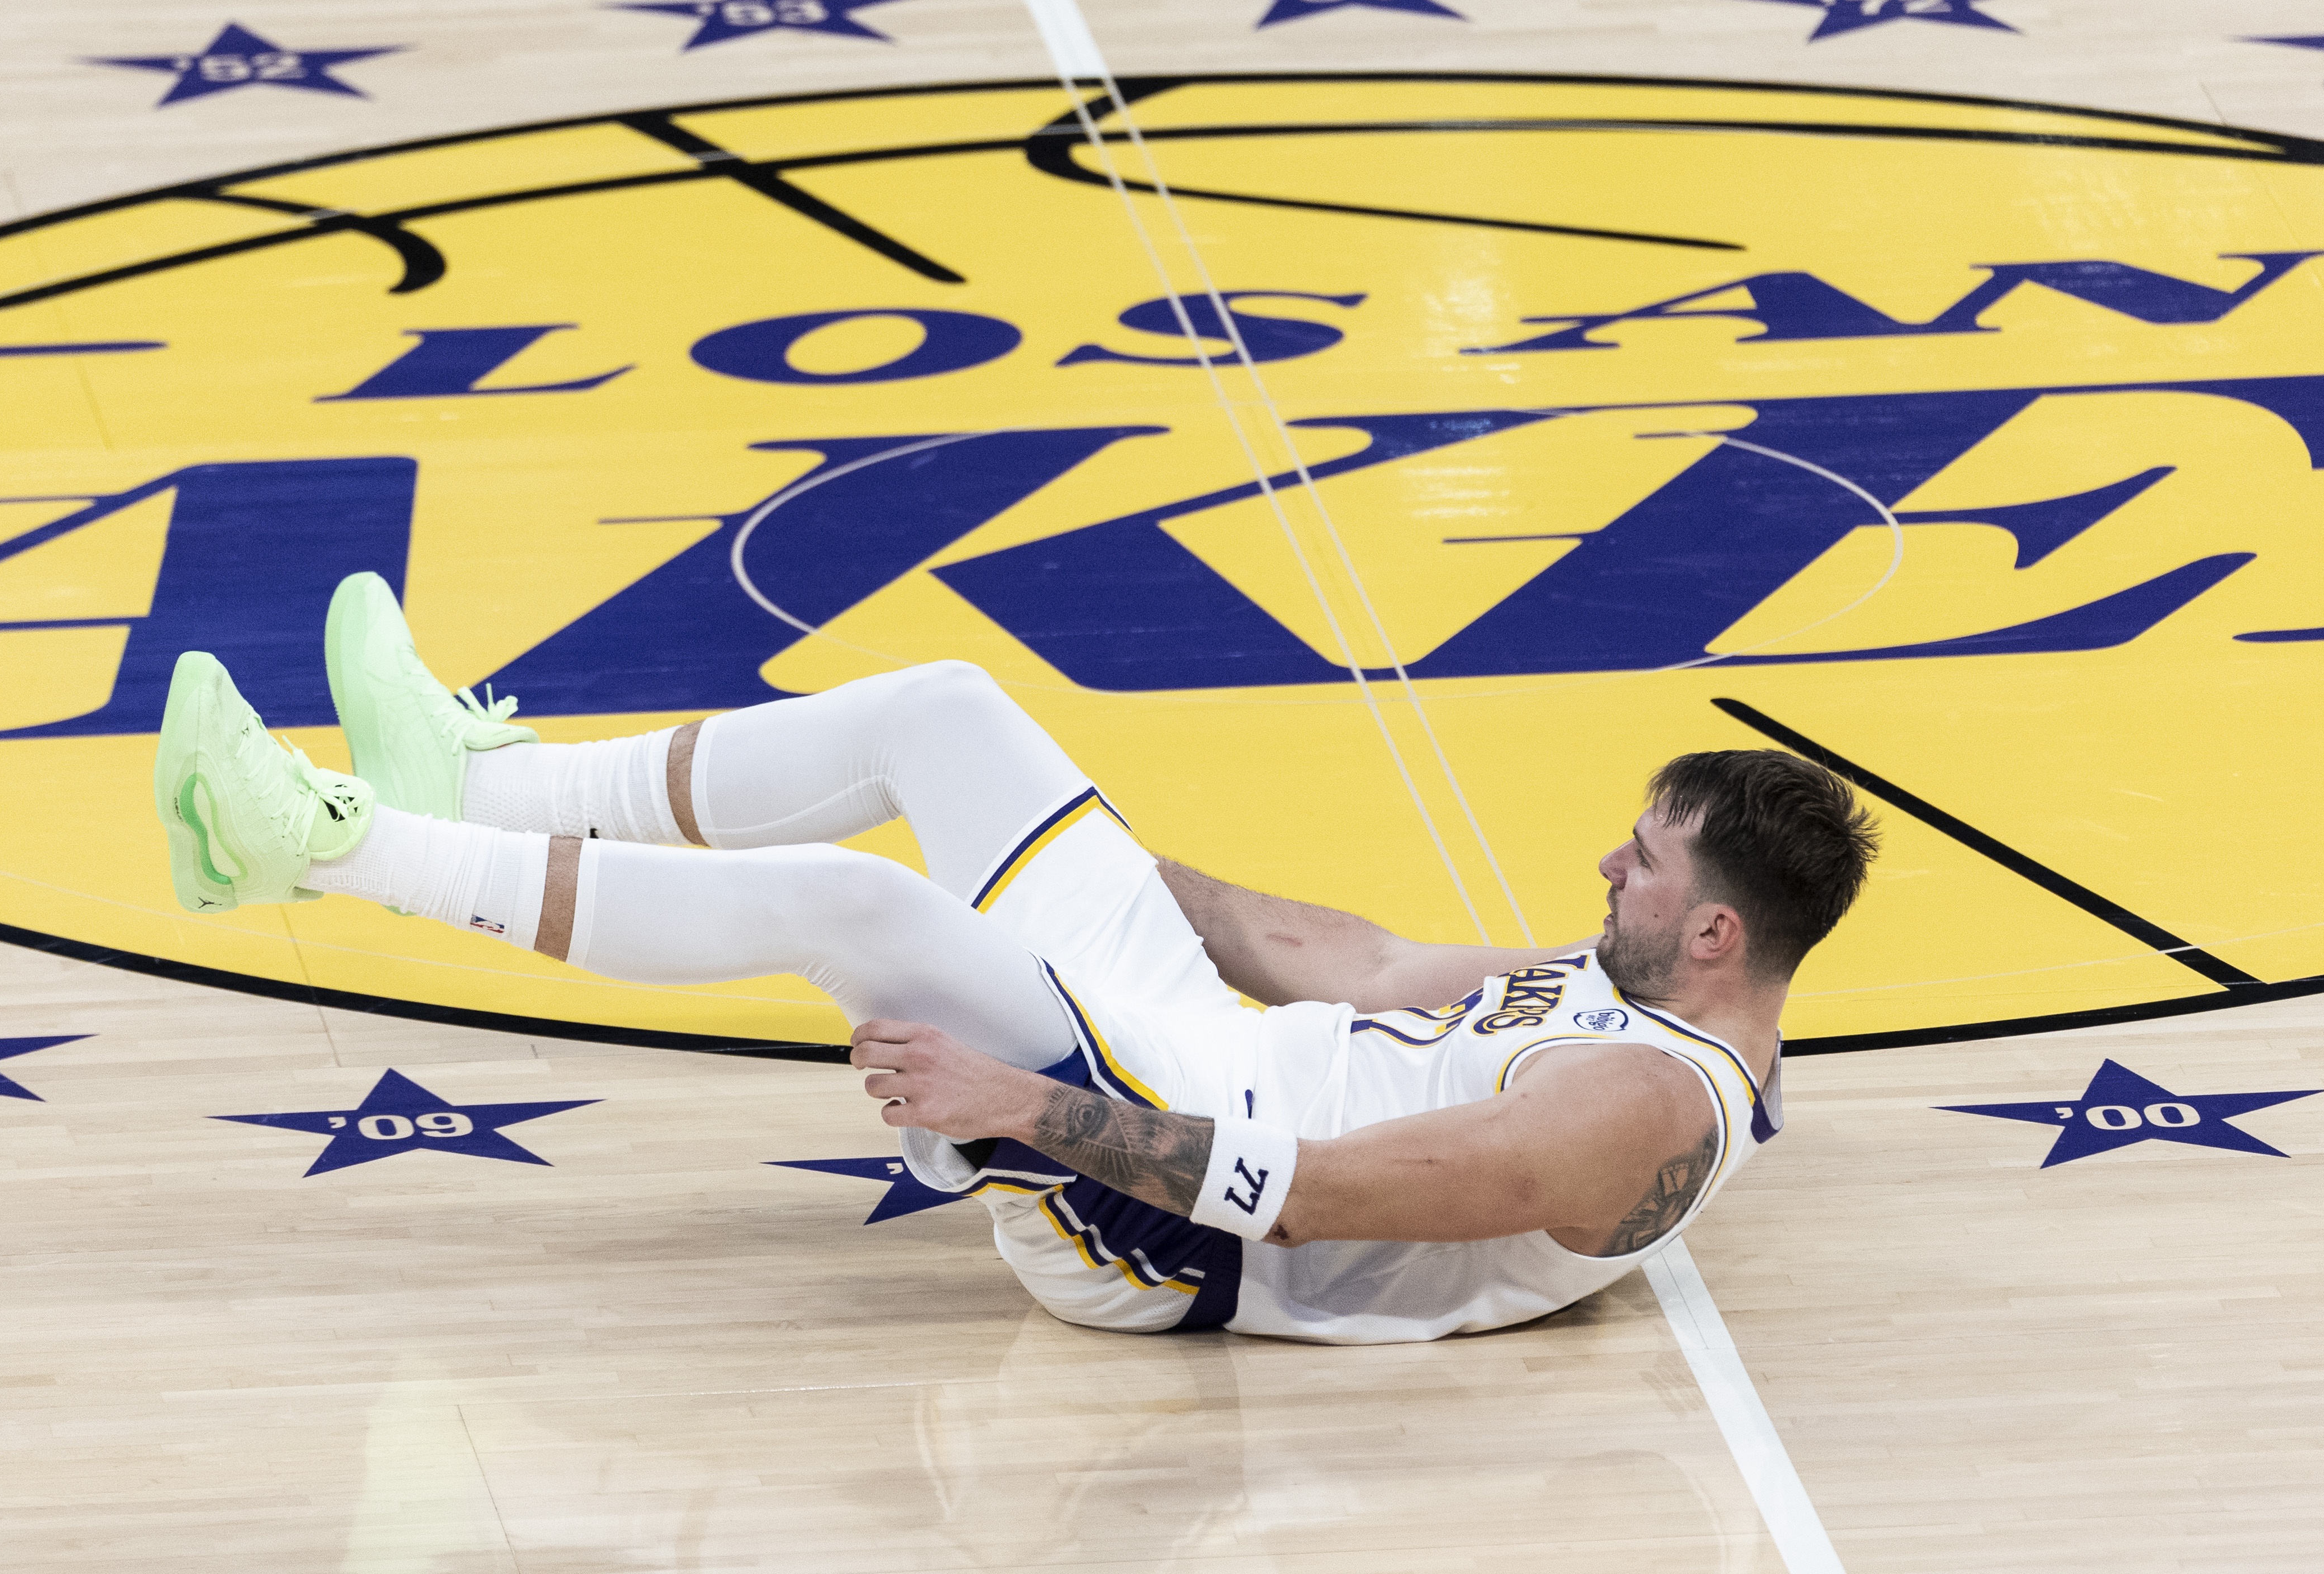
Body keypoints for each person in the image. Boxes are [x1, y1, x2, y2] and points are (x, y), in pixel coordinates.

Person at [155, 572, 1877, 1345]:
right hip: (1198, 1055)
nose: (1603, 867)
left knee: (859, 909)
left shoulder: (1634, 1110)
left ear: (1715, 930)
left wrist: (1016, 1106)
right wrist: (1086, 854)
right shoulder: (1641, 981)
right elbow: (1350, 962)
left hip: (1173, 1235)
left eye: (1639, 861)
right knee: (950, 717)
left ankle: (321, 848)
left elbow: (1313, 1200)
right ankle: (479, 789)